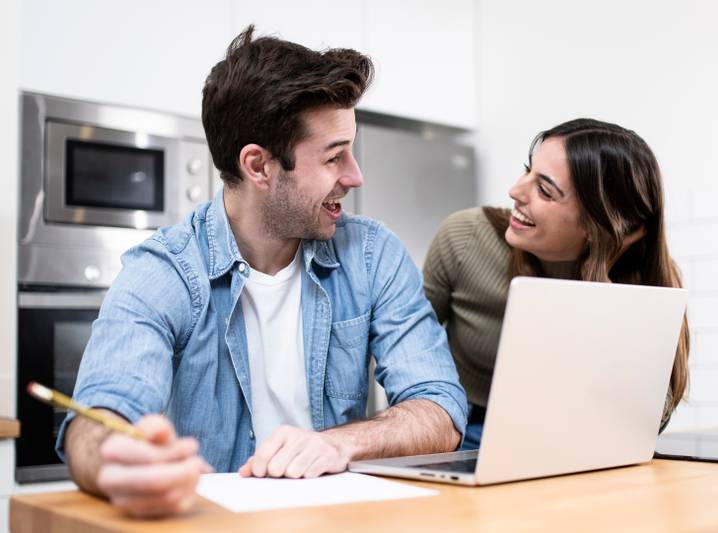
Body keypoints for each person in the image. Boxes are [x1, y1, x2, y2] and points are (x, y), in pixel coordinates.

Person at [57, 26, 467, 518]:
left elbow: (439, 408)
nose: (356, 176)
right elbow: (95, 420)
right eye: (335, 156)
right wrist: (115, 460)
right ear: (259, 166)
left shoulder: (373, 255)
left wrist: (341, 444)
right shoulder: (163, 271)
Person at [423, 118, 690, 450]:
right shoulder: (465, 237)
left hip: (575, 438)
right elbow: (411, 352)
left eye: (544, 190)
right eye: (527, 171)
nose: (516, 191)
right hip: (465, 426)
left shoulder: (639, 282)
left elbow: (649, 419)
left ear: (596, 227)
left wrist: (601, 288)